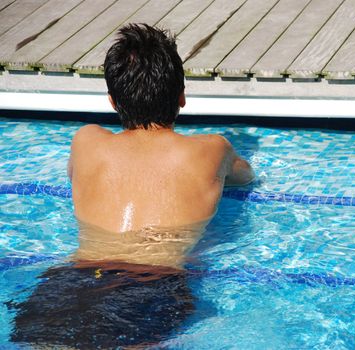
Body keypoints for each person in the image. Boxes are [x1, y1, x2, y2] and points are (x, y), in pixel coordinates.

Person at [10, 23, 254, 348]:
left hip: (72, 281)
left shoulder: (86, 141)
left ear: (112, 101)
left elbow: (76, 175)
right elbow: (246, 175)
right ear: (181, 95)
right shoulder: (212, 149)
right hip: (152, 283)